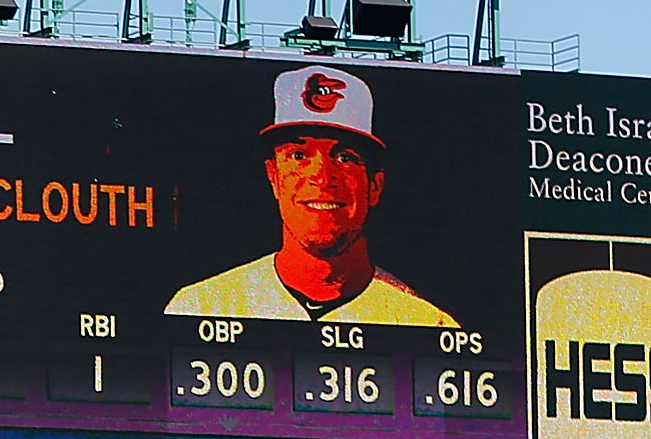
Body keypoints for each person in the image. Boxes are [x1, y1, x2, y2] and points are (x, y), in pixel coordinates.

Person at [165, 65, 460, 327]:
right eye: (299, 155)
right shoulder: (201, 307)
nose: (321, 176)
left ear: (374, 186)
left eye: (345, 157)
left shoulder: (426, 323)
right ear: (274, 177)